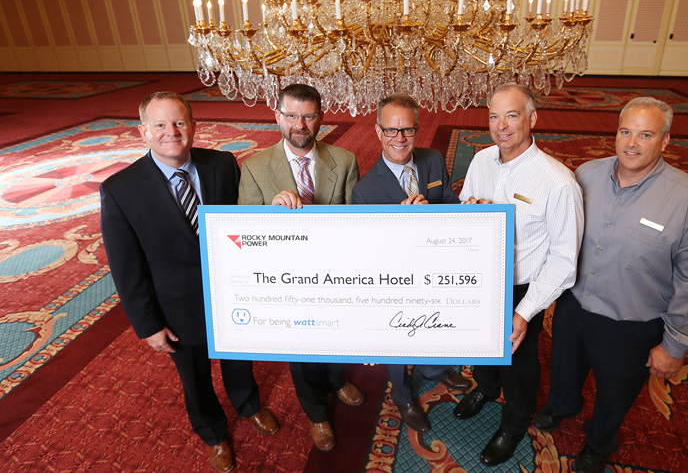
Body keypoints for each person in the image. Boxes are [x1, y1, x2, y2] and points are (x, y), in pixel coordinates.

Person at [531, 97, 688, 473]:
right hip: (574, 307)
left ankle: (600, 440)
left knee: (615, 392)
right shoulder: (585, 174)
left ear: (665, 141)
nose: (632, 143)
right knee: (564, 369)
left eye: (646, 134)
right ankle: (561, 406)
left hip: (632, 325)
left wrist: (674, 345)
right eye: (625, 131)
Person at [100, 92, 278, 473]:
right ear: (143, 131)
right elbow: (126, 267)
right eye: (160, 125)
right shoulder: (120, 189)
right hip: (176, 307)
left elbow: (245, 224)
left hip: (232, 292)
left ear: (194, 126)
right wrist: (147, 325)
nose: (171, 132)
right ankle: (213, 432)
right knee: (195, 379)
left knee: (239, 361)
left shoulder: (223, 164)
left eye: (180, 122)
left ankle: (248, 405)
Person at [455, 83, 584, 466]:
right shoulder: (480, 161)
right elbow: (465, 207)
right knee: (482, 346)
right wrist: (470, 210)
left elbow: (564, 259)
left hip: (522, 288)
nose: (501, 126)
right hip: (482, 279)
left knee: (519, 363)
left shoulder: (558, 182)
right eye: (494, 116)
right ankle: (484, 387)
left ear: (532, 119)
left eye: (512, 115)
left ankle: (513, 424)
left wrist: (524, 312)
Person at [237, 83, 363, 452]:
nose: (300, 124)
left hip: (333, 269)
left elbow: (357, 221)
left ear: (321, 118)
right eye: (291, 115)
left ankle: (337, 379)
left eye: (308, 116)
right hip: (285, 276)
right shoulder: (255, 167)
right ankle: (317, 414)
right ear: (277, 116)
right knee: (302, 346)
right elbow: (243, 233)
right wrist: (269, 214)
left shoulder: (345, 160)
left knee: (336, 333)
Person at [351, 93, 472, 433]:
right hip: (396, 277)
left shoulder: (433, 160)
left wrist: (466, 208)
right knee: (397, 336)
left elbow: (447, 199)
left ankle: (435, 369)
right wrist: (403, 225)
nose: (400, 139)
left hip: (436, 267)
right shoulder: (365, 191)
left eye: (407, 130)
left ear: (417, 130)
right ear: (377, 132)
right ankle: (402, 394)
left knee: (437, 320)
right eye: (391, 130)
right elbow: (368, 252)